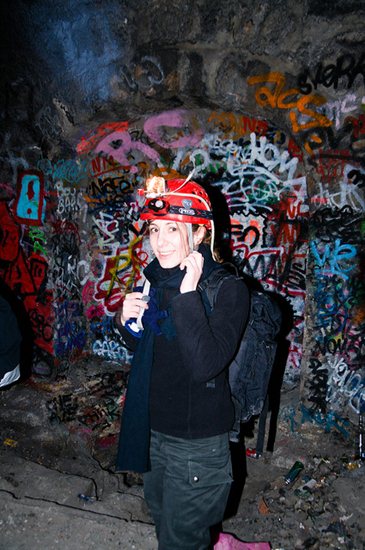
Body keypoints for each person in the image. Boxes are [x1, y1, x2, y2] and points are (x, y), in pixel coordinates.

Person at [115, 176, 249, 550]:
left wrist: (188, 296)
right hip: (154, 432)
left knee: (179, 542)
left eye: (173, 228)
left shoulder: (226, 289)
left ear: (200, 232)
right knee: (166, 529)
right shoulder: (155, 280)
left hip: (197, 448)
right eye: (155, 229)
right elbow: (144, 346)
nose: (160, 241)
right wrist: (125, 318)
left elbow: (205, 363)